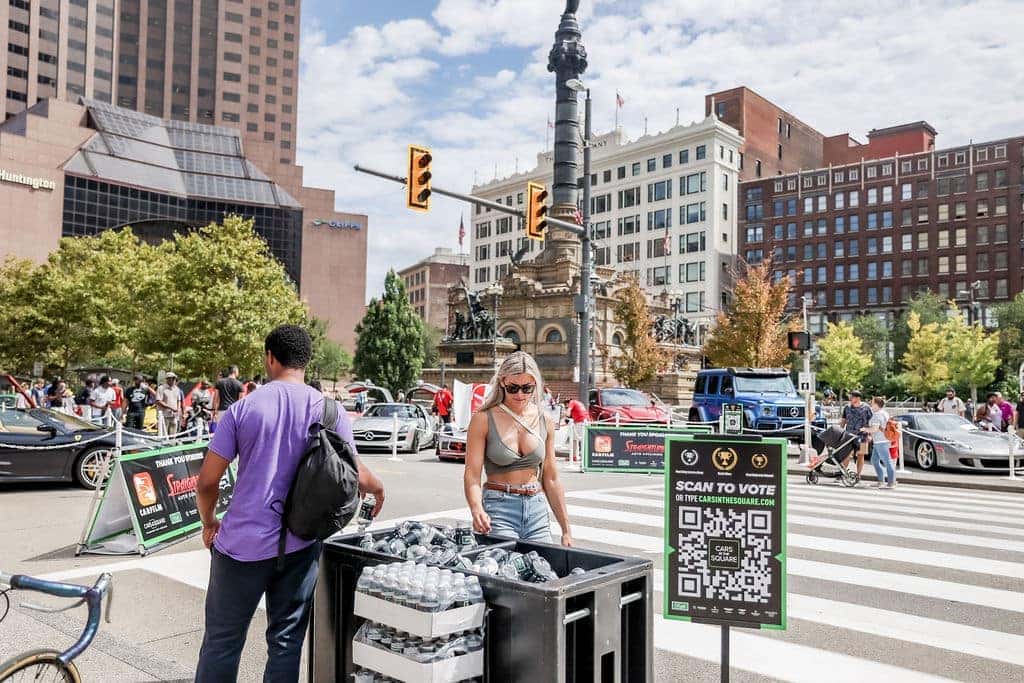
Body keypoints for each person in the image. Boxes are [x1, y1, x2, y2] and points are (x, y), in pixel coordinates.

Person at [193, 325, 385, 682]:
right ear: (307, 361)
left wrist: (209, 521)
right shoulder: (331, 410)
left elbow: (207, 482)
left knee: (222, 642)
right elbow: (352, 469)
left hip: (240, 547)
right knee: (285, 644)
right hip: (301, 542)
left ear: (270, 358)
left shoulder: (242, 409)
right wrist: (377, 488)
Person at [463, 351, 573, 545]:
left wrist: (566, 530)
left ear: (536, 385)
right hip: (499, 508)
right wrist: (476, 509)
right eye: (513, 388)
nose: (520, 394)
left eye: (527, 388)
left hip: (536, 509)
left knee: (544, 571)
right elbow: (472, 474)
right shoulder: (483, 419)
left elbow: (551, 478)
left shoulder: (544, 419)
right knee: (505, 570)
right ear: (502, 382)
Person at [863, 396, 896, 489]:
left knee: (887, 461)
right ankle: (881, 481)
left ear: (876, 404)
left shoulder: (877, 415)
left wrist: (865, 429)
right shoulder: (884, 413)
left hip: (881, 441)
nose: (870, 404)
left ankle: (891, 483)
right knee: (874, 461)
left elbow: (874, 429)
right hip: (881, 441)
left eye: (872, 402)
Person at [839, 390, 873, 480]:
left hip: (862, 435)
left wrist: (870, 434)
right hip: (849, 435)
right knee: (846, 455)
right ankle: (842, 474)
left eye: (852, 397)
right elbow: (843, 420)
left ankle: (858, 475)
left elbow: (871, 422)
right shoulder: (847, 407)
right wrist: (839, 431)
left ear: (857, 398)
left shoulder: (866, 407)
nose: (850, 398)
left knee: (860, 455)